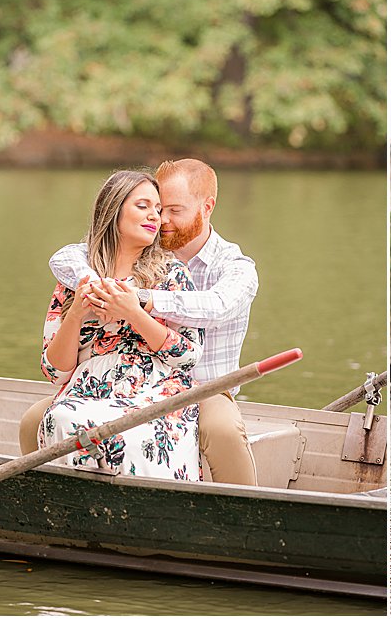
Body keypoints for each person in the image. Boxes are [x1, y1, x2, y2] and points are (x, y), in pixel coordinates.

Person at [19, 159, 261, 484]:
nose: (161, 219)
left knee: (223, 431)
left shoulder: (231, 265)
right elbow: (68, 256)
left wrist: (137, 300)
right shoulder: (138, 247)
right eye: (155, 207)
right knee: (34, 420)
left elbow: (216, 307)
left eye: (171, 210)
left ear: (207, 207)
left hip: (204, 387)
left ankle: (245, 516)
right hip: (102, 384)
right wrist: (93, 289)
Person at [35, 170, 205, 479]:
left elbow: (189, 356)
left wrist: (134, 313)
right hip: (87, 391)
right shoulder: (75, 277)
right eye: (143, 206)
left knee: (123, 433)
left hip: (154, 390)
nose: (155, 215)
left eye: (158, 208)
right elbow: (54, 371)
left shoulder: (172, 275)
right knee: (60, 418)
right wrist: (76, 314)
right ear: (114, 209)